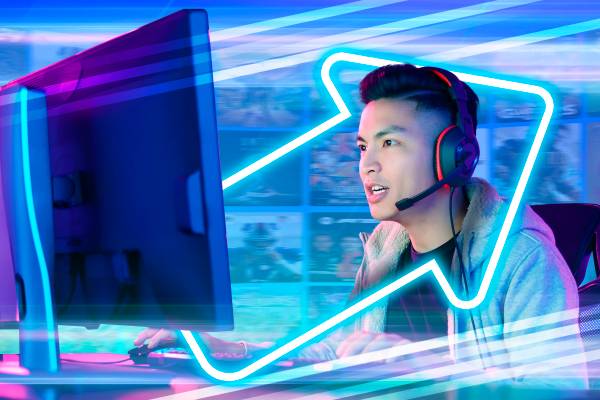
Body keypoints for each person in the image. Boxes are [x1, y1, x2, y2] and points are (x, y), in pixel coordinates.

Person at [135, 63, 588, 388]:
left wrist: (425, 368)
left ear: (454, 155)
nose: (367, 166)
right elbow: (339, 351)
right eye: (361, 146)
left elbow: (558, 388)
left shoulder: (520, 257)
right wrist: (222, 348)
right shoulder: (385, 248)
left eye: (389, 142)